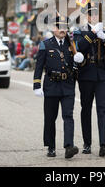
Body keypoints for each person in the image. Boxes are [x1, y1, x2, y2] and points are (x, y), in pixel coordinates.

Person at [72, 3, 105, 157]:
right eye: (91, 14)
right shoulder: (80, 31)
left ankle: (104, 144)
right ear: (87, 16)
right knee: (86, 109)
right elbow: (79, 47)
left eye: (96, 14)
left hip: (102, 75)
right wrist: (93, 33)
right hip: (86, 74)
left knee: (102, 109)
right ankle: (87, 143)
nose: (94, 17)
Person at [32, 15, 79, 159]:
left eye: (65, 27)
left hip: (67, 85)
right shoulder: (45, 45)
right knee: (50, 118)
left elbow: (76, 67)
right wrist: (37, 85)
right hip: (51, 85)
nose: (62, 29)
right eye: (59, 27)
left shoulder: (72, 45)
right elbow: (39, 67)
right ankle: (51, 147)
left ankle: (69, 146)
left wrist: (79, 61)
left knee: (68, 116)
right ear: (53, 29)